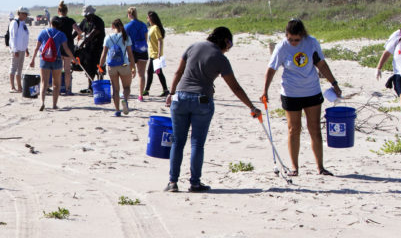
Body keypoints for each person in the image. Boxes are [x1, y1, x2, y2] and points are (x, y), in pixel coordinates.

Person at [165, 27, 260, 192]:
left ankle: (173, 182)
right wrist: (251, 106)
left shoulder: (192, 46)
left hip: (179, 98)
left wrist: (171, 93)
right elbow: (235, 88)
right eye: (229, 45)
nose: (228, 49)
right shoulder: (220, 58)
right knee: (197, 143)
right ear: (225, 41)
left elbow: (178, 72)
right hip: (202, 101)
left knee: (178, 142)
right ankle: (194, 182)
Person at [262, 18, 342, 176]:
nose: (293, 42)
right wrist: (265, 91)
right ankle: (294, 168)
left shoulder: (311, 42)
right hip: (290, 93)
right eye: (290, 39)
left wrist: (334, 83)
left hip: (312, 91)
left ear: (303, 35)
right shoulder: (282, 47)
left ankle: (320, 167)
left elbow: (321, 64)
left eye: (296, 40)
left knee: (315, 129)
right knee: (293, 129)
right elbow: (271, 69)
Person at [29, 16, 74, 111]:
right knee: (56, 84)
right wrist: (73, 58)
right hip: (57, 59)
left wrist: (32, 60)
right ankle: (54, 104)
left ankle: (42, 102)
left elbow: (37, 48)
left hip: (44, 59)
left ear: (50, 23)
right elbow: (66, 49)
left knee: (44, 83)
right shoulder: (61, 34)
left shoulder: (43, 32)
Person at [99, 19, 136, 117]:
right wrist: (133, 67)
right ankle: (125, 100)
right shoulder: (125, 37)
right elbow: (130, 54)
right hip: (124, 65)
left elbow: (103, 55)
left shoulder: (108, 37)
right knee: (127, 87)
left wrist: (100, 67)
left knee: (115, 89)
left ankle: (117, 110)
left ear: (112, 26)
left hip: (112, 66)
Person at [74, 5, 105, 93]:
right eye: (85, 16)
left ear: (91, 14)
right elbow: (78, 30)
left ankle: (99, 87)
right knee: (89, 67)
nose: (85, 17)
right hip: (88, 48)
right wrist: (69, 38)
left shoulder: (98, 21)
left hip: (98, 48)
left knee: (99, 67)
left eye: (86, 16)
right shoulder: (85, 21)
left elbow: (92, 34)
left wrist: (82, 44)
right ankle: (90, 87)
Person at [125, 7, 151, 102]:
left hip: (132, 51)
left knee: (129, 73)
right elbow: (146, 38)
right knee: (141, 74)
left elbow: (125, 39)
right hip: (142, 50)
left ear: (130, 14)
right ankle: (140, 95)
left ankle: (127, 92)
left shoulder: (127, 26)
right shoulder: (143, 25)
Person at [143, 11, 169, 97]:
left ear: (151, 18)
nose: (147, 18)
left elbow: (160, 40)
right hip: (152, 54)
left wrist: (159, 53)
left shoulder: (156, 28)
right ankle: (148, 90)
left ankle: (148, 90)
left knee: (156, 72)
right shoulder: (152, 27)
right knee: (153, 72)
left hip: (156, 55)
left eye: (148, 17)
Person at [56, 1, 78, 95]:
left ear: (58, 11)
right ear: (66, 11)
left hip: (58, 46)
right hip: (68, 45)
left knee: (59, 69)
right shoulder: (70, 21)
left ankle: (58, 89)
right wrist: (73, 36)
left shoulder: (55, 20)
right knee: (67, 70)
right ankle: (68, 89)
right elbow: (79, 31)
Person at [8, 7, 31, 92]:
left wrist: (26, 49)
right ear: (20, 13)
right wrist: (14, 50)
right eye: (24, 14)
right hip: (16, 49)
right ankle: (12, 87)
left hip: (22, 49)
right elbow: (12, 37)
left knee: (20, 68)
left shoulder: (23, 23)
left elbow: (24, 37)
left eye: (26, 14)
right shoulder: (15, 22)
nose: (25, 16)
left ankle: (19, 86)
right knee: (13, 67)